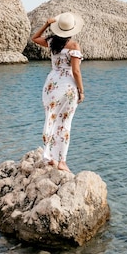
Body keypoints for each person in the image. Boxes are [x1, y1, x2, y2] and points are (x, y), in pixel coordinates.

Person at [32, 11, 85, 172]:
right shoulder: (74, 46)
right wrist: (81, 91)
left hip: (52, 85)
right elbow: (76, 72)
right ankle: (62, 160)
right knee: (65, 123)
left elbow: (34, 38)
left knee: (51, 119)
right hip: (67, 86)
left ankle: (50, 157)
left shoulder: (51, 42)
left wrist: (47, 24)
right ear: (72, 29)